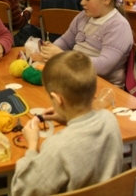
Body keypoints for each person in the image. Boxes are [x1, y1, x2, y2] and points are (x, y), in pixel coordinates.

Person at [11, 50, 123, 196]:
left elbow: (21, 190)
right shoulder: (110, 120)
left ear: (58, 99)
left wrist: (32, 146)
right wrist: (68, 118)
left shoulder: (57, 147)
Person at [40, 0, 133, 87]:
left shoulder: (118, 26)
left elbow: (103, 66)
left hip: (103, 87)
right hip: (78, 78)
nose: (82, 2)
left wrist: (64, 57)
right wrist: (52, 48)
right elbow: (65, 41)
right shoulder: (83, 16)